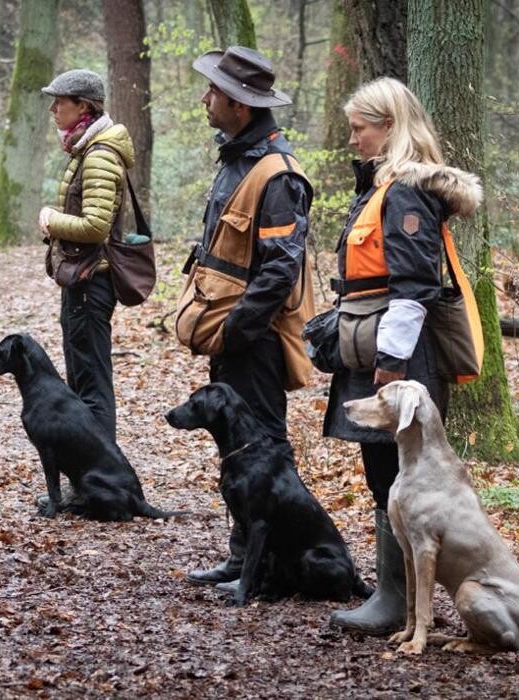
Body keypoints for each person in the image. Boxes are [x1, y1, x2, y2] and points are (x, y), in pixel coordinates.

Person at [322, 77, 482, 634]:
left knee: (396, 473)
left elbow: (414, 286)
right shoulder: (382, 186)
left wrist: (390, 365)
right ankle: (396, 596)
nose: (352, 139)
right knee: (383, 473)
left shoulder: (406, 192)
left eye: (359, 128)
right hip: (384, 350)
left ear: (390, 127)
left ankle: (396, 602)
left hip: (401, 358)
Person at [182, 46, 314, 587]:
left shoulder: (277, 175)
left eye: (213, 91)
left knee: (264, 449)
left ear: (240, 104)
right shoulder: (238, 161)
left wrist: (237, 331)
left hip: (254, 341)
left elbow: (279, 270)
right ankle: (244, 560)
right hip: (233, 339)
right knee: (240, 451)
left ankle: (280, 565)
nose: (205, 99)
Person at [38, 69, 135, 443]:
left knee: (91, 386)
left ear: (82, 106)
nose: (52, 109)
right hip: (82, 278)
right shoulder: (87, 148)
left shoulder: (98, 154)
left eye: (59, 102)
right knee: (83, 380)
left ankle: (99, 482)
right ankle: (90, 479)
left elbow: (96, 227)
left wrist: (52, 220)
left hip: (91, 280)